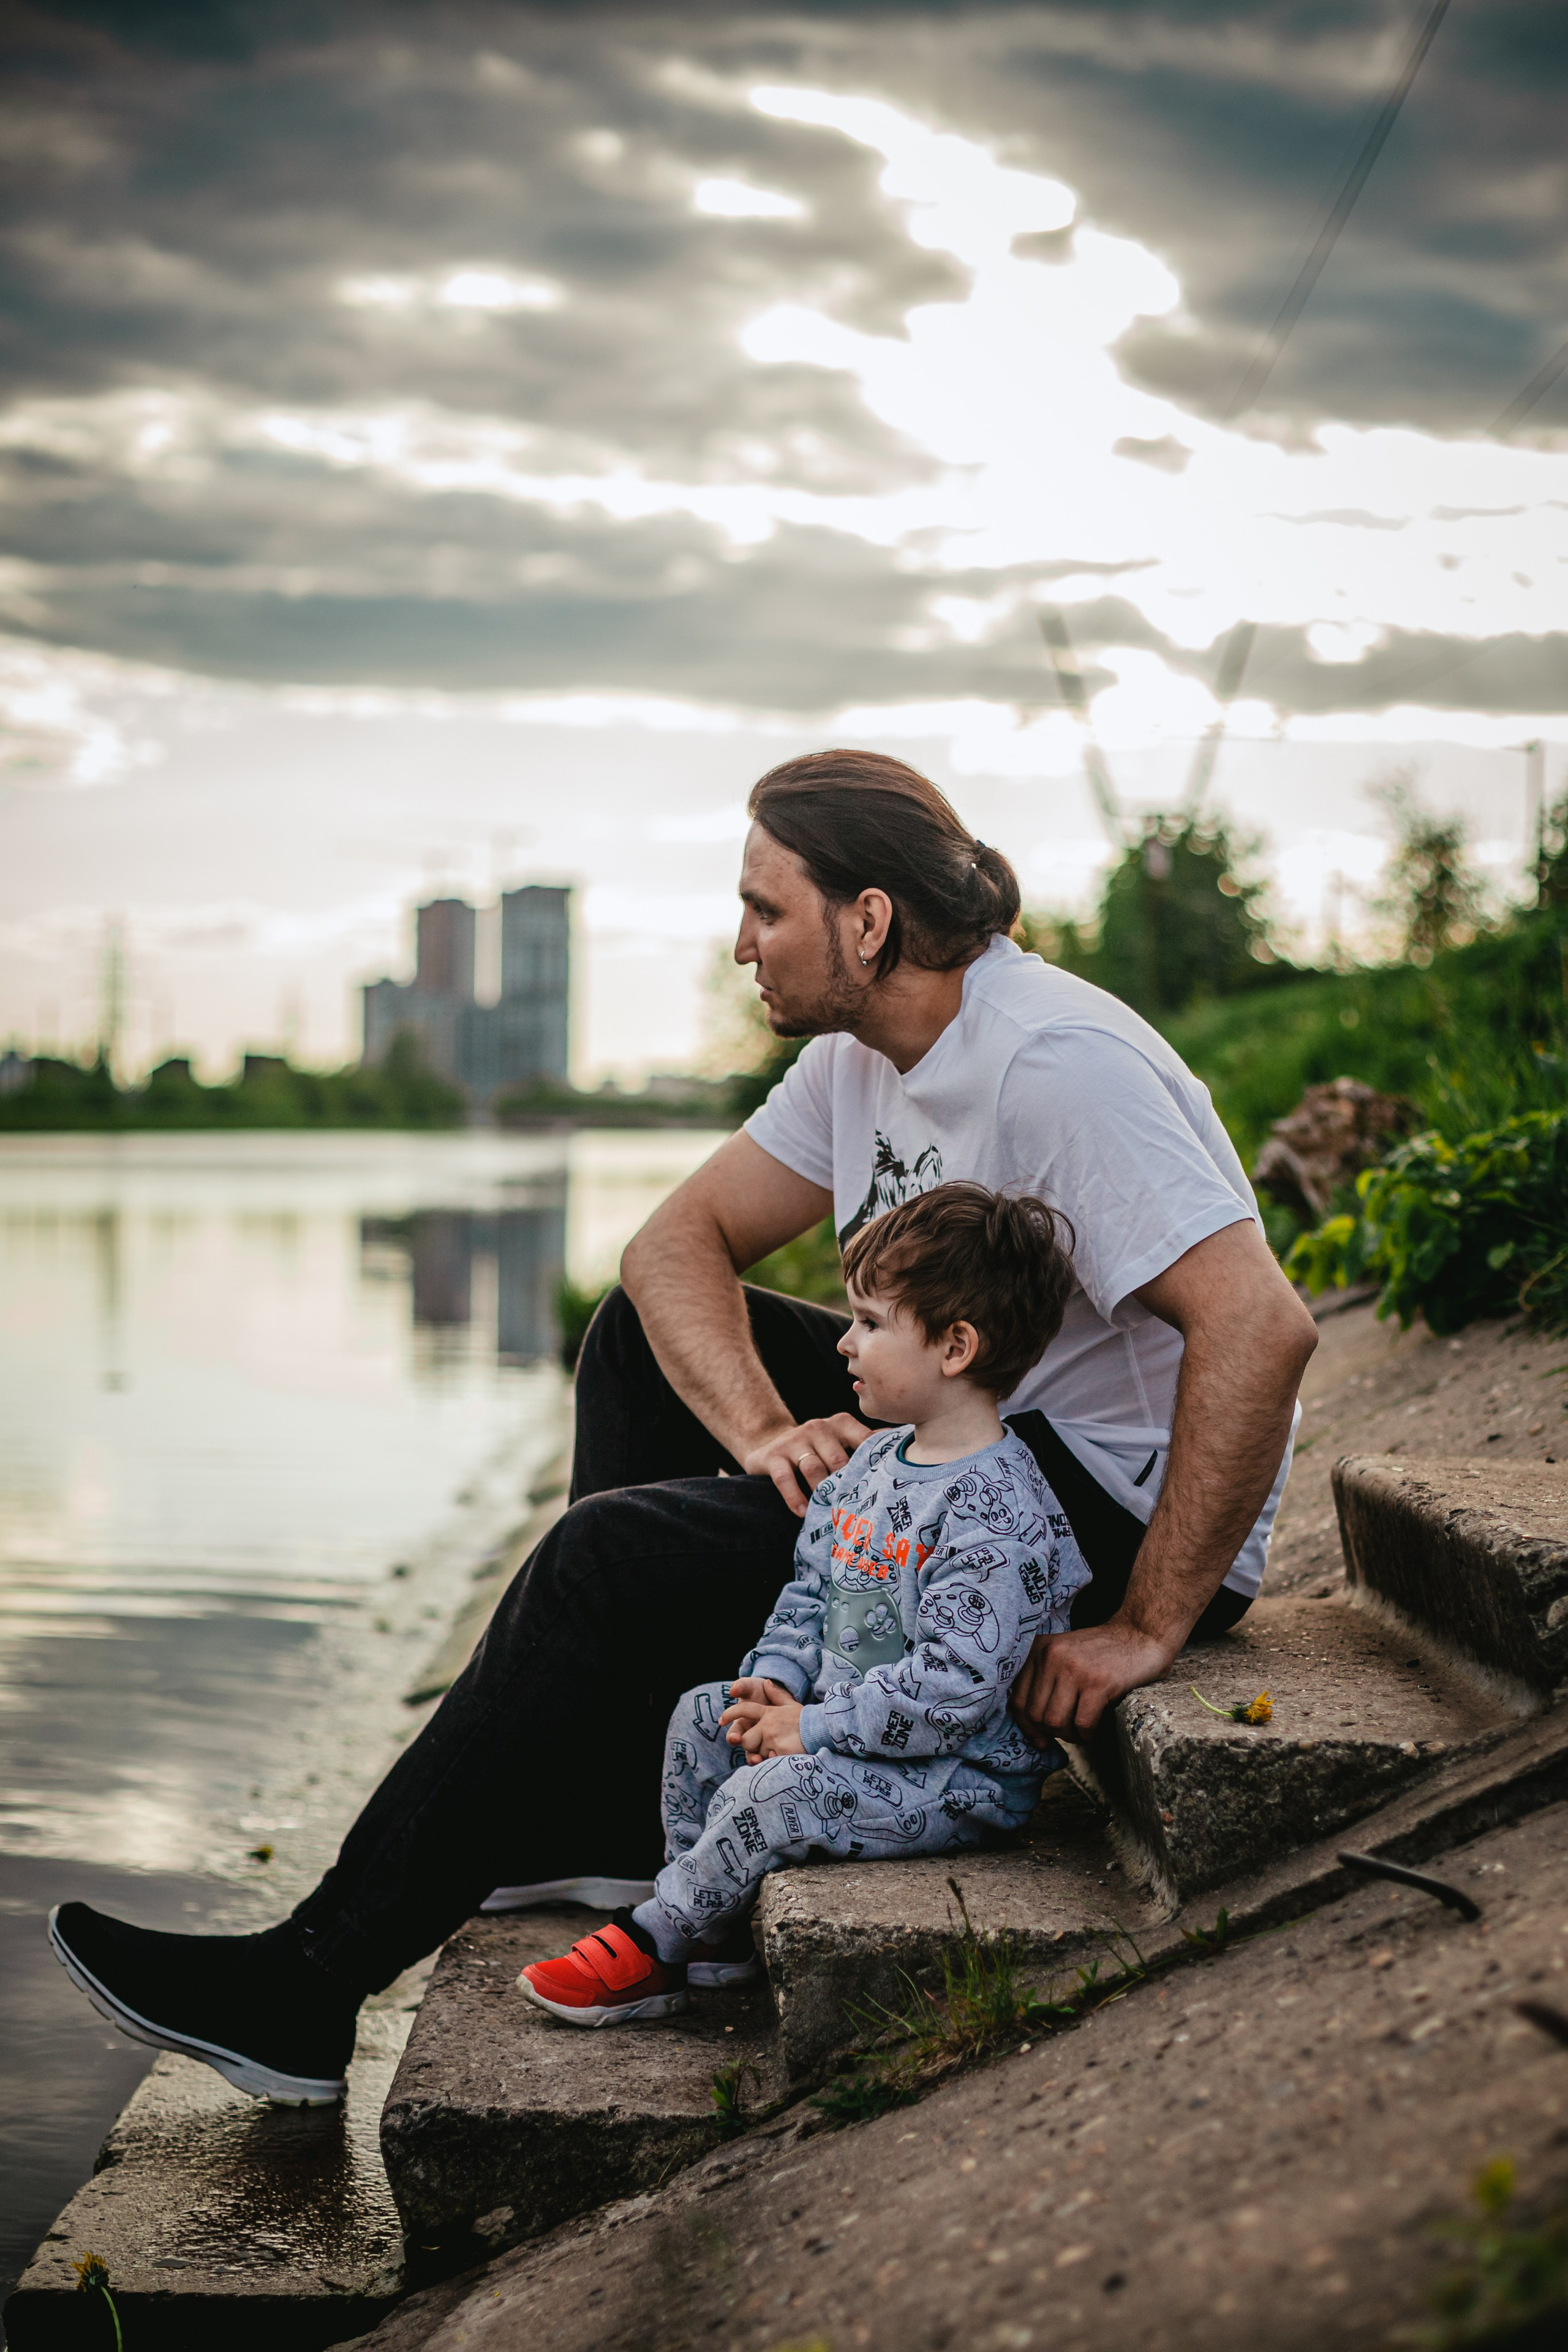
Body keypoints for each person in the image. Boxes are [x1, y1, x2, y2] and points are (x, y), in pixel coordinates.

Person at [48, 748, 1317, 2106]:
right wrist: (769, 1431)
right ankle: (608, 1810)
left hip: (1082, 1515)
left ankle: (303, 1992)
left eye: (765, 910)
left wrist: (1150, 1621)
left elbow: (1260, 1327)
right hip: (969, 1433)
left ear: (868, 919)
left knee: (605, 1559)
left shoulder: (1054, 1063)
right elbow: (672, 1246)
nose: (738, 946)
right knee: (631, 1336)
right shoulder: (860, 1058)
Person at [518, 1182, 1090, 2026]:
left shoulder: (994, 1516)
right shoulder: (872, 1464)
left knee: (771, 1794)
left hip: (952, 1778)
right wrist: (776, 1683)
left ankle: (658, 1940)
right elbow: (810, 1589)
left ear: (956, 1346)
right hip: (844, 1727)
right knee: (703, 1718)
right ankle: (713, 1931)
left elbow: (953, 1694)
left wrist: (810, 1731)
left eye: (868, 1322)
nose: (845, 1343)